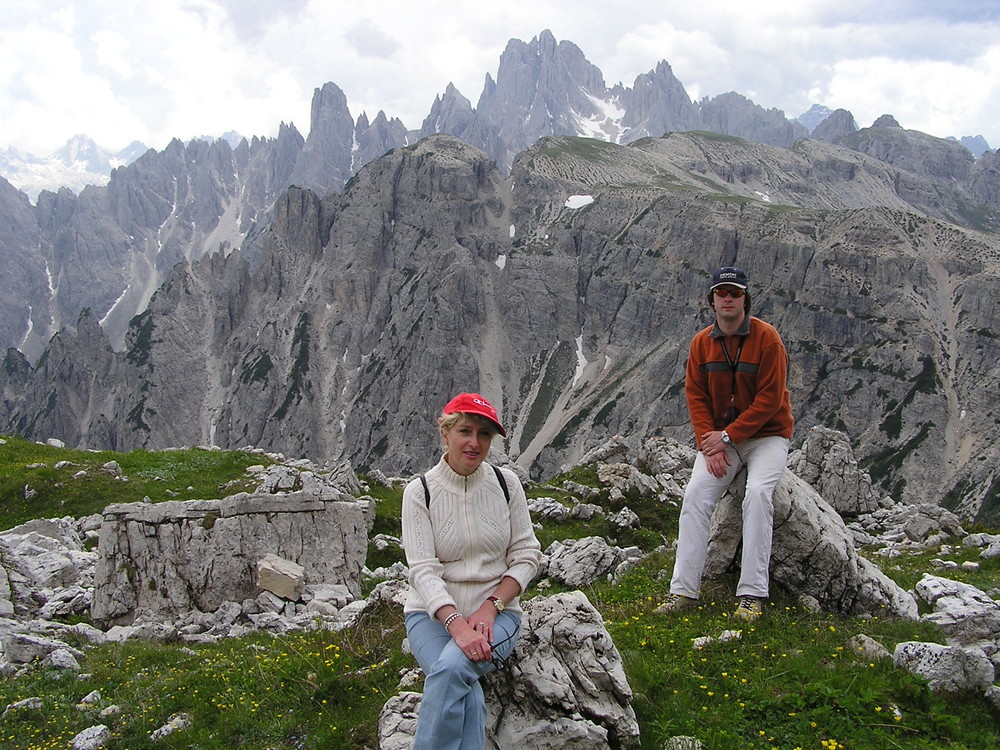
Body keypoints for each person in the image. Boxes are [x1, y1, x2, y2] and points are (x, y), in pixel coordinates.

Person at [402, 392, 542, 750]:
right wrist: (455, 624)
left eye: (484, 435)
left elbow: (527, 555)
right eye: (465, 431)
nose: (474, 443)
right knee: (461, 682)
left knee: (449, 671)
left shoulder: (506, 484)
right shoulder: (419, 492)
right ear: (445, 434)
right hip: (431, 617)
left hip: (497, 616)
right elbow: (422, 570)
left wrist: (490, 606)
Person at [657, 266, 794, 621]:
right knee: (695, 496)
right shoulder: (702, 343)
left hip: (767, 436)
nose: (728, 298)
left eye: (734, 293)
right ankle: (683, 591)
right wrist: (708, 444)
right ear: (713, 300)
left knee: (759, 495)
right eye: (722, 293)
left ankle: (751, 594)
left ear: (745, 299)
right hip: (719, 439)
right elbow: (696, 395)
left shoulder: (768, 339)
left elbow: (771, 398)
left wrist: (728, 437)